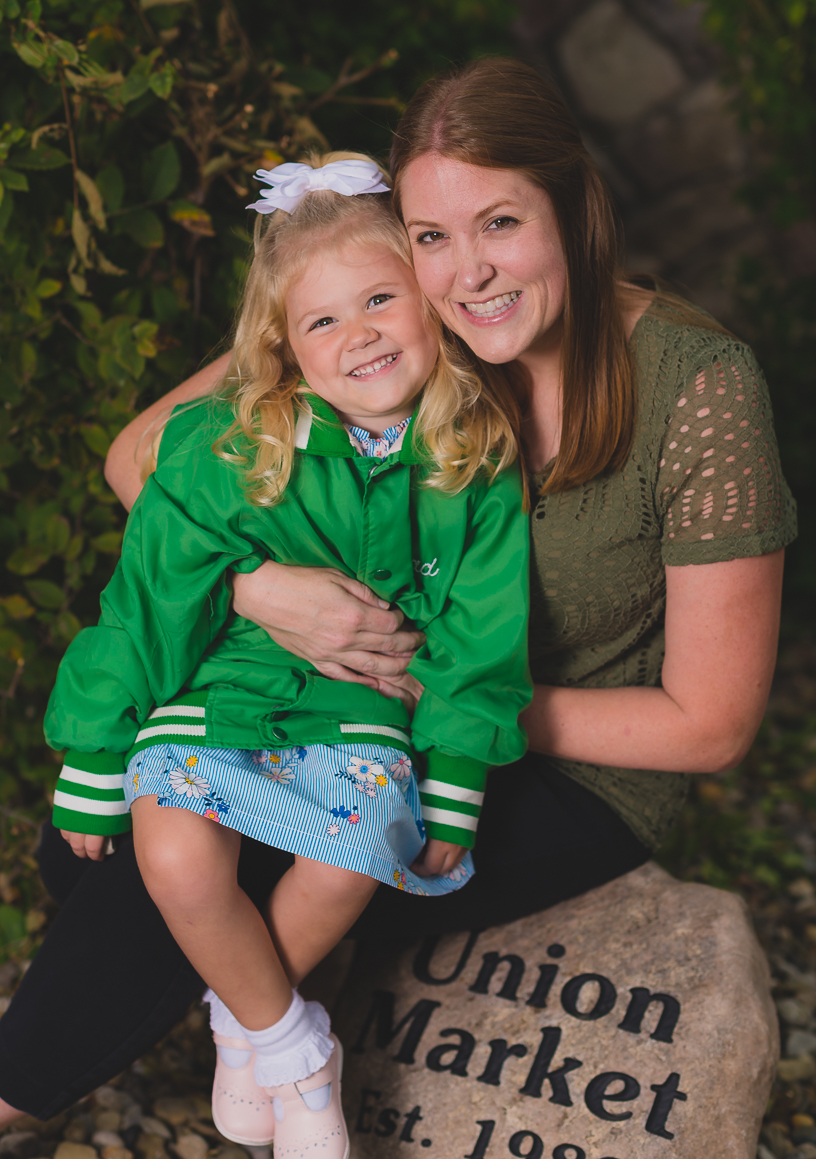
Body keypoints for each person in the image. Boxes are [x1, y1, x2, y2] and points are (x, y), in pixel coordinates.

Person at [0, 58, 795, 1125]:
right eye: (430, 236)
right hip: (338, 697)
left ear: (575, 206)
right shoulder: (399, 332)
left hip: (566, 762)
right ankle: (267, 1028)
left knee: (192, 856)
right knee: (114, 841)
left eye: (502, 222)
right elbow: (143, 457)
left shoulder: (701, 390)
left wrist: (432, 684)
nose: (468, 273)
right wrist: (258, 587)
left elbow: (712, 724)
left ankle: (92, 1076)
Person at [40, 152, 531, 1152]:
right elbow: (150, 593)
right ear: (285, 348)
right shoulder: (230, 442)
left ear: (431, 307)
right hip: (220, 685)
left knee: (354, 858)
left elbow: (485, 633)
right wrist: (93, 752)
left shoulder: (473, 463)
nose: (359, 335)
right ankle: (299, 1050)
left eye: (381, 300)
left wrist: (457, 779)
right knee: (173, 852)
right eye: (323, 321)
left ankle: (243, 1020)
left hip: (357, 706)